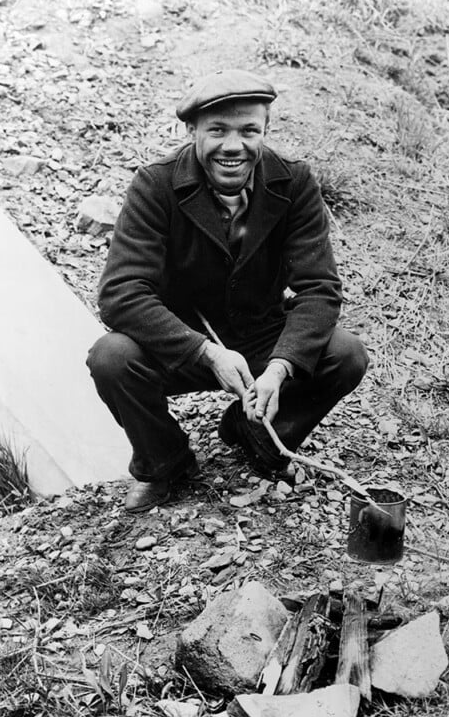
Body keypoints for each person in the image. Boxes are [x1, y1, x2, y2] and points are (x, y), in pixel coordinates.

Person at [87, 69, 368, 512]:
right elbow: (121, 292)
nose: (233, 146)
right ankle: (165, 462)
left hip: (261, 334)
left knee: (345, 354)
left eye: (248, 131)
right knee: (112, 358)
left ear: (264, 132)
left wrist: (279, 368)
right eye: (217, 130)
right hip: (182, 342)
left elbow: (319, 288)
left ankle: (252, 432)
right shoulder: (155, 184)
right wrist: (205, 352)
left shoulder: (293, 183)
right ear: (192, 130)